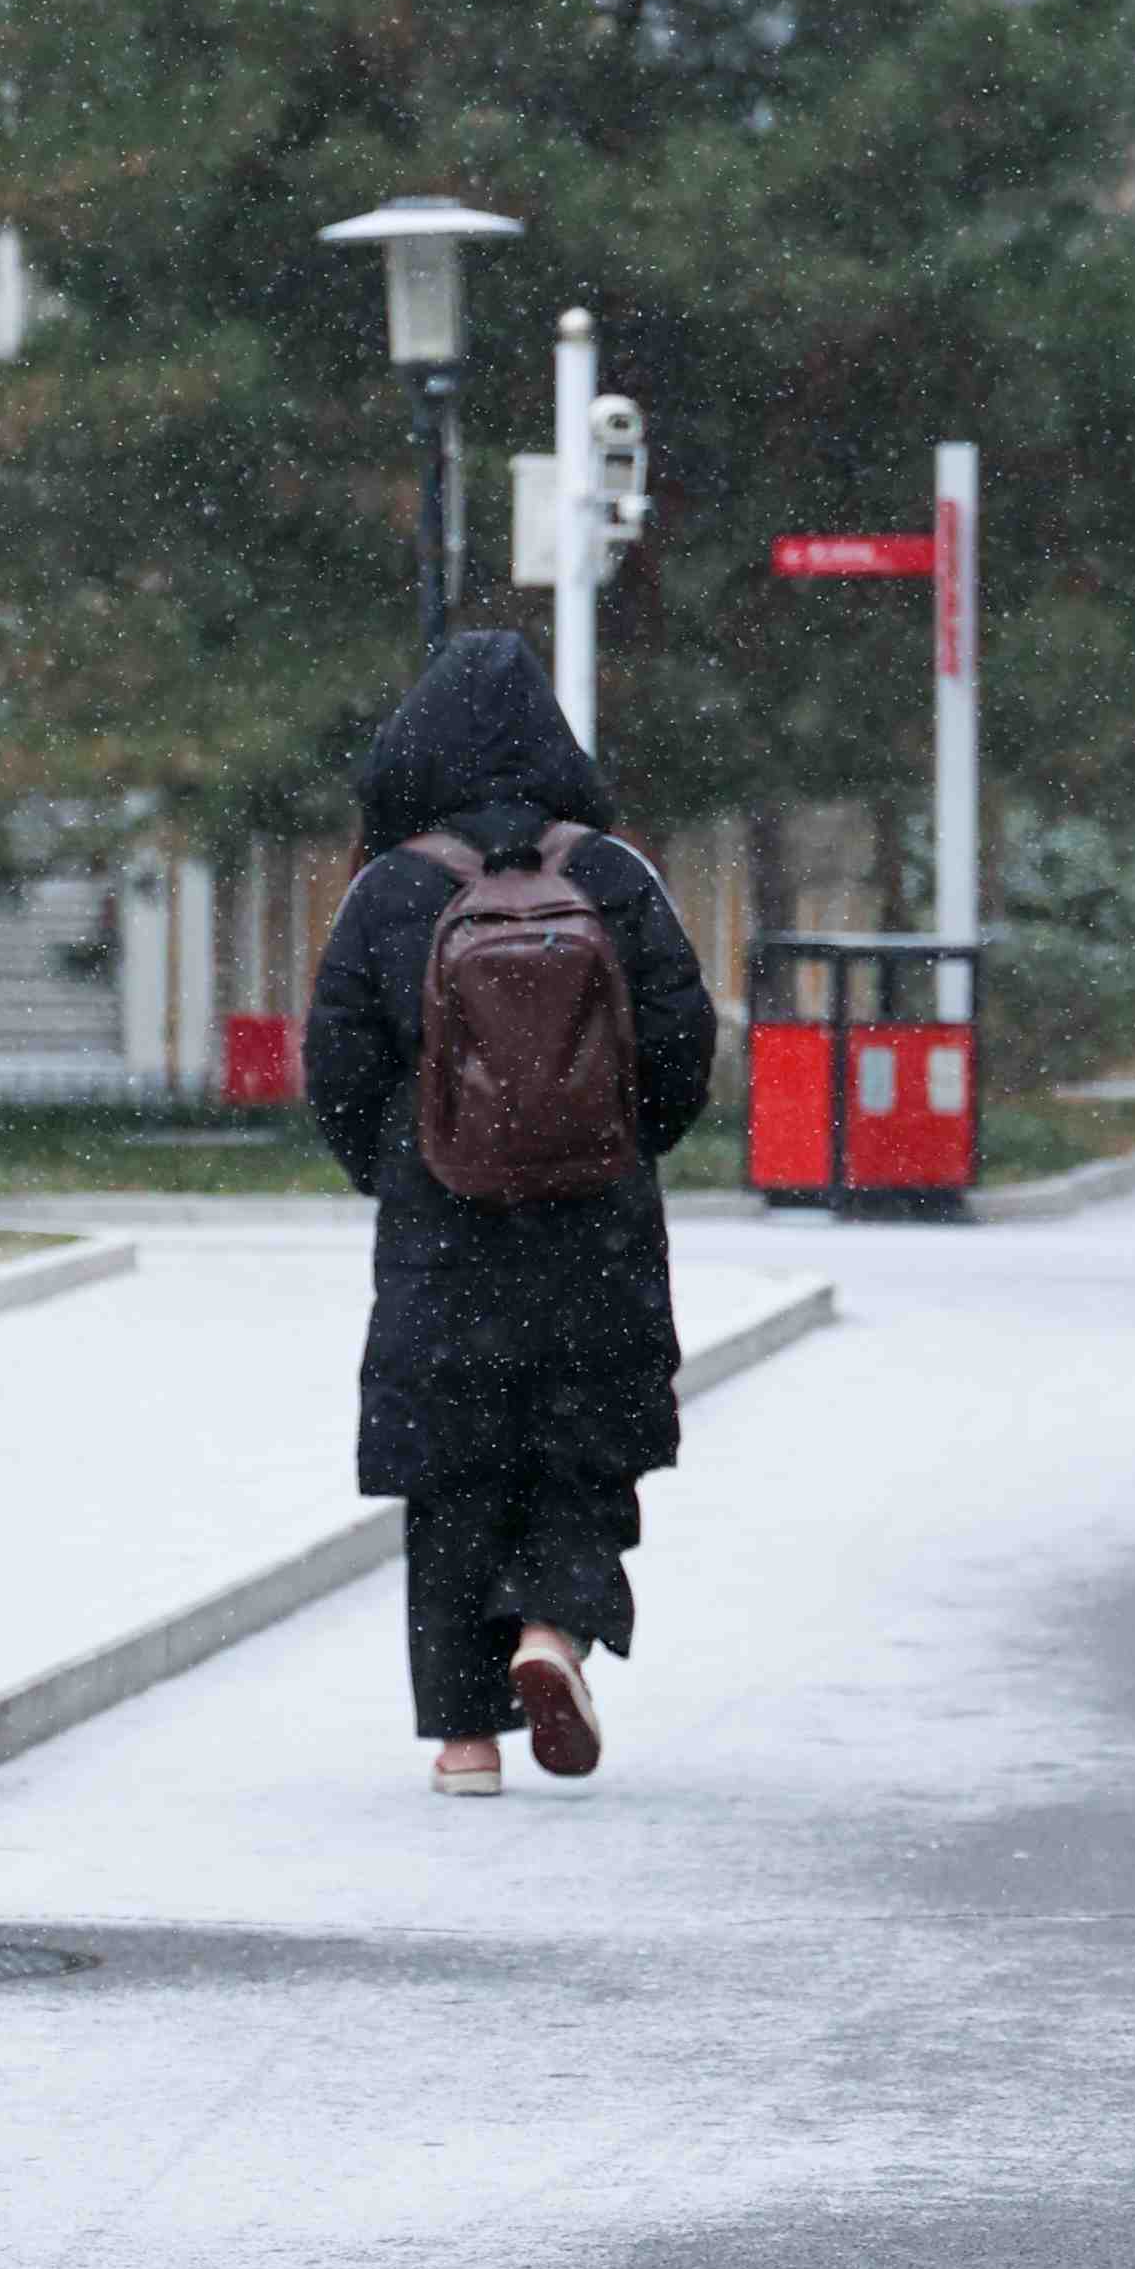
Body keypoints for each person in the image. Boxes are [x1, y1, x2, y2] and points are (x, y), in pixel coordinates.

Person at [305, 630, 717, 1794]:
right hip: (596, 1233)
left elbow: (336, 1068)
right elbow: (683, 1042)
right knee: (586, 1451)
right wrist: (619, 1150)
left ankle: (466, 1742)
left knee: (453, 1479)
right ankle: (550, 1631)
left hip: (443, 1241)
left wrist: (400, 1169)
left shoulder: (391, 891)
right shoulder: (615, 876)